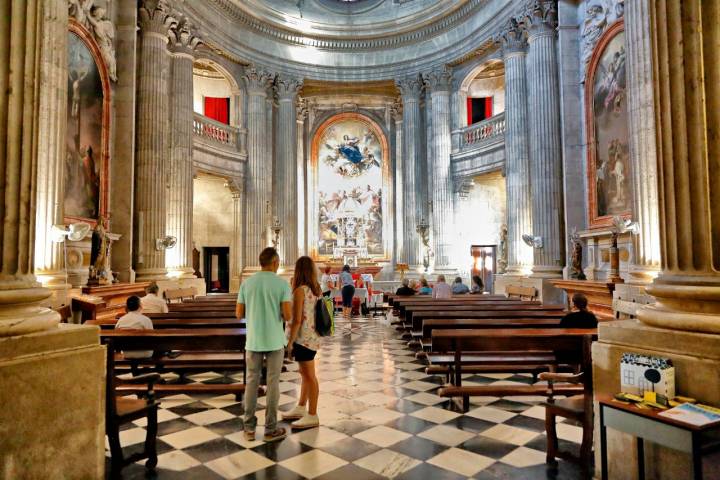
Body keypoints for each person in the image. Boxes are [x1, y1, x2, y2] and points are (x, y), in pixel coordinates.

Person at [236, 247, 292, 443]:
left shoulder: (247, 283)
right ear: (275, 262)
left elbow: (238, 313)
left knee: (251, 383)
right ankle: (270, 429)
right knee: (272, 384)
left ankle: (249, 428)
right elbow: (287, 315)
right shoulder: (282, 284)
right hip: (275, 340)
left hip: (253, 340)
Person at [282, 256, 322, 430]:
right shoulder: (315, 289)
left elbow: (297, 319)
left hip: (302, 339)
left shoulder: (300, 291)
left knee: (310, 376)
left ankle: (312, 414)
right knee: (305, 374)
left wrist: (290, 342)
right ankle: (300, 407)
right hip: (312, 337)